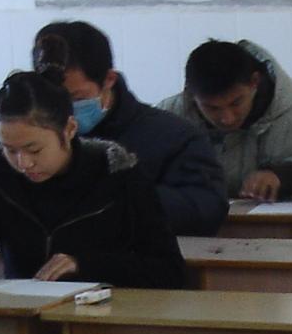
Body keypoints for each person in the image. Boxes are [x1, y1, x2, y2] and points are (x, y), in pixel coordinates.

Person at [0, 70, 191, 291]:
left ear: (69, 129)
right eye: (10, 150)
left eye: (34, 150)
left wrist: (84, 265)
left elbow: (169, 271)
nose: (23, 163)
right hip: (24, 316)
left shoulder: (118, 172)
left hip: (109, 318)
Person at [31, 20, 229, 236]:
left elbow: (207, 208)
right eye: (53, 99)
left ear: (109, 79)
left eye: (76, 98)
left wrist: (120, 199)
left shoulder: (173, 136)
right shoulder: (27, 140)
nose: (65, 111)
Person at [158, 37, 292, 202]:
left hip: (282, 240)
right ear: (191, 94)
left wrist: (288, 177)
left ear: (254, 83)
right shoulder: (167, 120)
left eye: (236, 102)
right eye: (212, 108)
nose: (227, 118)